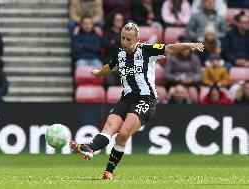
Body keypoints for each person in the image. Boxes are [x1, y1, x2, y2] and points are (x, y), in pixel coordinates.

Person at [69, 22, 204, 179]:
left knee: (123, 133)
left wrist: (189, 45)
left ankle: (108, 171)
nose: (124, 42)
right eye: (122, 38)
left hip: (146, 99)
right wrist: (98, 73)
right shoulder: (120, 55)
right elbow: (108, 68)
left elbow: (170, 48)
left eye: (128, 39)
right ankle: (89, 148)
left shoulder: (147, 50)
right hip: (126, 99)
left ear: (137, 39)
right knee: (109, 127)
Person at [102, 12, 125, 86]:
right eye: (117, 20)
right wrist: (119, 43)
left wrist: (114, 42)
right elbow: (107, 46)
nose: (119, 22)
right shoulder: (107, 32)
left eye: (120, 20)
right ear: (113, 21)